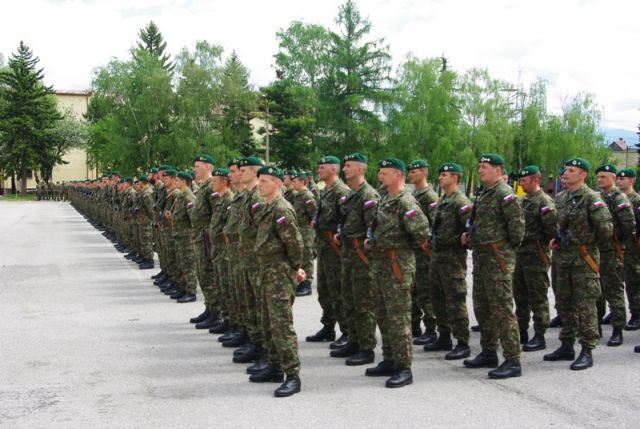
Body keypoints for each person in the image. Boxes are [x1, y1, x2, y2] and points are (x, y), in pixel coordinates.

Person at [365, 158, 429, 388]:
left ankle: (404, 367)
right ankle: (389, 359)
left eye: (385, 173)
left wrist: (399, 248)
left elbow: (421, 234)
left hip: (397, 266)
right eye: (380, 172)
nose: (380, 176)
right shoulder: (385, 200)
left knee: (398, 318)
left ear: (398, 175)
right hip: (380, 264)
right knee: (383, 315)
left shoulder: (406, 202)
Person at [544, 158, 612, 370]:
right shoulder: (561, 197)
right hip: (562, 258)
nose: (566, 173)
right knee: (564, 303)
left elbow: (606, 230)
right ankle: (566, 345)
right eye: (565, 170)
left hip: (583, 258)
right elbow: (558, 225)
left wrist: (586, 242)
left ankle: (587, 349)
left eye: (571, 170)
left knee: (585, 305)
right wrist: (556, 239)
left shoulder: (591, 198)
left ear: (583, 175)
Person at [462, 153, 524, 379]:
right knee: (483, 307)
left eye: (485, 167)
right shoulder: (484, 194)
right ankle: (489, 351)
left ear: (498, 170)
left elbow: (517, 231)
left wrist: (502, 251)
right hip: (482, 258)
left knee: (502, 310)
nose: (480, 170)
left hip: (498, 259)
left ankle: (512, 359)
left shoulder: (505, 195)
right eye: (479, 166)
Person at [250, 165, 305, 397]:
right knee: (267, 321)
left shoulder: (282, 210)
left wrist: (294, 268)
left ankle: (292, 375)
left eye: (264, 181)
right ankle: (274, 366)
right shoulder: (267, 207)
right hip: (266, 271)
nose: (259, 185)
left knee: (281, 324)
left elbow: (295, 245)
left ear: (277, 183)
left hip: (279, 273)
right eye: (259, 180)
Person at [331, 152, 379, 365]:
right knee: (349, 300)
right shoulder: (351, 194)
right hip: (348, 253)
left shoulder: (368, 195)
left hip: (361, 256)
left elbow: (373, 227)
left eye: (349, 166)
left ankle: (366, 347)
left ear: (361, 169)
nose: (344, 169)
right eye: (344, 165)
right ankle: (353, 339)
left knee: (363, 303)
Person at [426, 162, 472, 360]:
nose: (440, 178)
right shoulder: (443, 199)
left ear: (455, 177)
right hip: (438, 256)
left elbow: (470, 228)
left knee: (455, 300)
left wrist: (465, 239)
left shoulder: (461, 201)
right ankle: (444, 335)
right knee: (438, 298)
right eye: (440, 175)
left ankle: (462, 342)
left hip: (453, 257)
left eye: (444, 175)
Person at [306, 156, 350, 346]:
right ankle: (328, 326)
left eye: (322, 167)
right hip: (323, 246)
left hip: (334, 248)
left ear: (333, 169)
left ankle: (347, 331)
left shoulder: (341, 191)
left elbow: (346, 218)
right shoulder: (326, 191)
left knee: (338, 290)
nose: (319, 170)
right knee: (324, 290)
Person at [513, 165, 558, 351]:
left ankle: (539, 334)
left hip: (536, 255)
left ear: (536, 180)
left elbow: (551, 231)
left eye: (524, 180)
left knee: (538, 296)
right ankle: (521, 330)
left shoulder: (544, 202)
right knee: (520, 295)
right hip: (520, 255)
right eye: (520, 181)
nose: (521, 184)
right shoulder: (522, 201)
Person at [595, 164, 634, 346]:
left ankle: (617, 329)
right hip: (596, 251)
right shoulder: (597, 197)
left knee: (614, 291)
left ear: (613, 178)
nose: (599, 180)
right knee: (596, 292)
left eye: (603, 177)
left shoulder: (620, 198)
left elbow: (628, 226)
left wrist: (618, 243)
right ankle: (595, 326)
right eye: (598, 177)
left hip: (612, 251)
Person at [407, 159, 439, 345]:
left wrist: (427, 244)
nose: (411, 174)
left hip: (424, 251)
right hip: (412, 251)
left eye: (415, 171)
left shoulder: (430, 196)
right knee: (412, 291)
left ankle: (431, 328)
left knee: (425, 291)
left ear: (424, 173)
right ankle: (415, 325)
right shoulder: (413, 194)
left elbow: (435, 224)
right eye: (410, 171)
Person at [187, 154, 220, 328]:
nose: (195, 169)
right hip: (199, 234)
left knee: (209, 273)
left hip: (207, 235)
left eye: (197, 166)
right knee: (202, 272)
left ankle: (216, 312)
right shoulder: (202, 186)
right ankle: (209, 308)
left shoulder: (212, 187)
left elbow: (217, 213)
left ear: (208, 167)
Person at [616, 168, 640, 331]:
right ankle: (615, 312)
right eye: (618, 178)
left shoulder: (636, 200)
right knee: (616, 281)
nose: (619, 181)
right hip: (617, 247)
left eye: (623, 178)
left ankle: (636, 314)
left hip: (632, 248)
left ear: (632, 180)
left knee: (633, 282)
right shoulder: (616, 198)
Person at [169, 171, 198, 303]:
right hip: (180, 235)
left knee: (188, 263)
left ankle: (191, 291)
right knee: (181, 262)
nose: (175, 182)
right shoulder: (181, 195)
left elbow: (193, 218)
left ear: (184, 182)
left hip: (186, 236)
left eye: (178, 180)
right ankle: (183, 287)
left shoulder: (188, 196)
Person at [291, 171, 317, 297]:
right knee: (301, 256)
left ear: (302, 182)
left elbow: (314, 215)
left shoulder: (307, 196)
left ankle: (307, 284)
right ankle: (301, 282)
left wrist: (311, 229)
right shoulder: (298, 196)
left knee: (307, 257)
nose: (293, 183)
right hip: (299, 231)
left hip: (306, 231)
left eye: (295, 181)